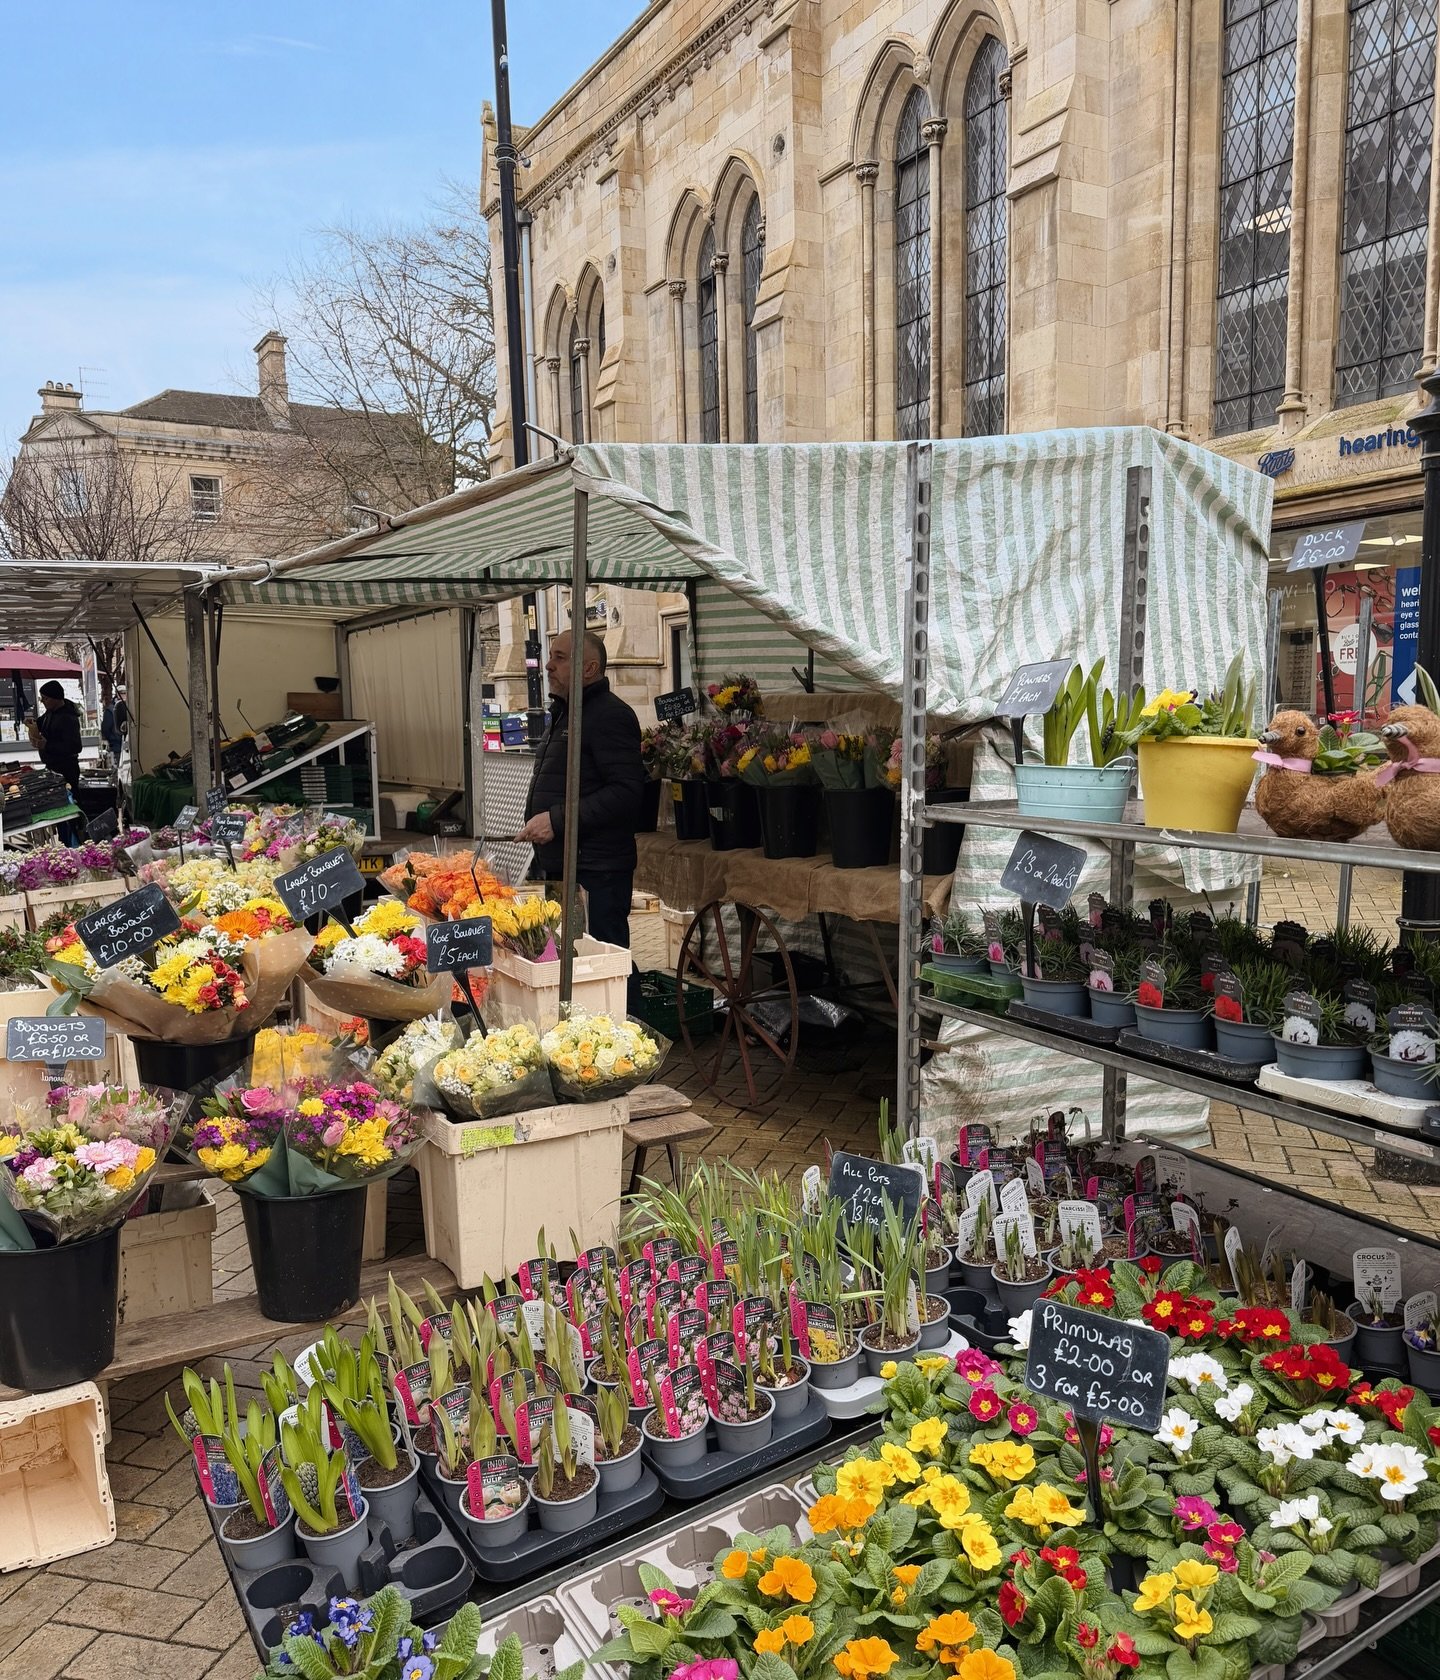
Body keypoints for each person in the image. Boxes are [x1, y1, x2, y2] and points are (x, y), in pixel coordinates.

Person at [517, 629, 643, 949]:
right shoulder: (565, 713)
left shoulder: (610, 716)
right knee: (567, 957)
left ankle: (625, 1003)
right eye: (550, 656)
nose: (548, 666)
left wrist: (556, 821)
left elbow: (626, 792)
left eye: (560, 658)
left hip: (596, 872)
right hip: (565, 866)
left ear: (588, 669)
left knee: (603, 959)